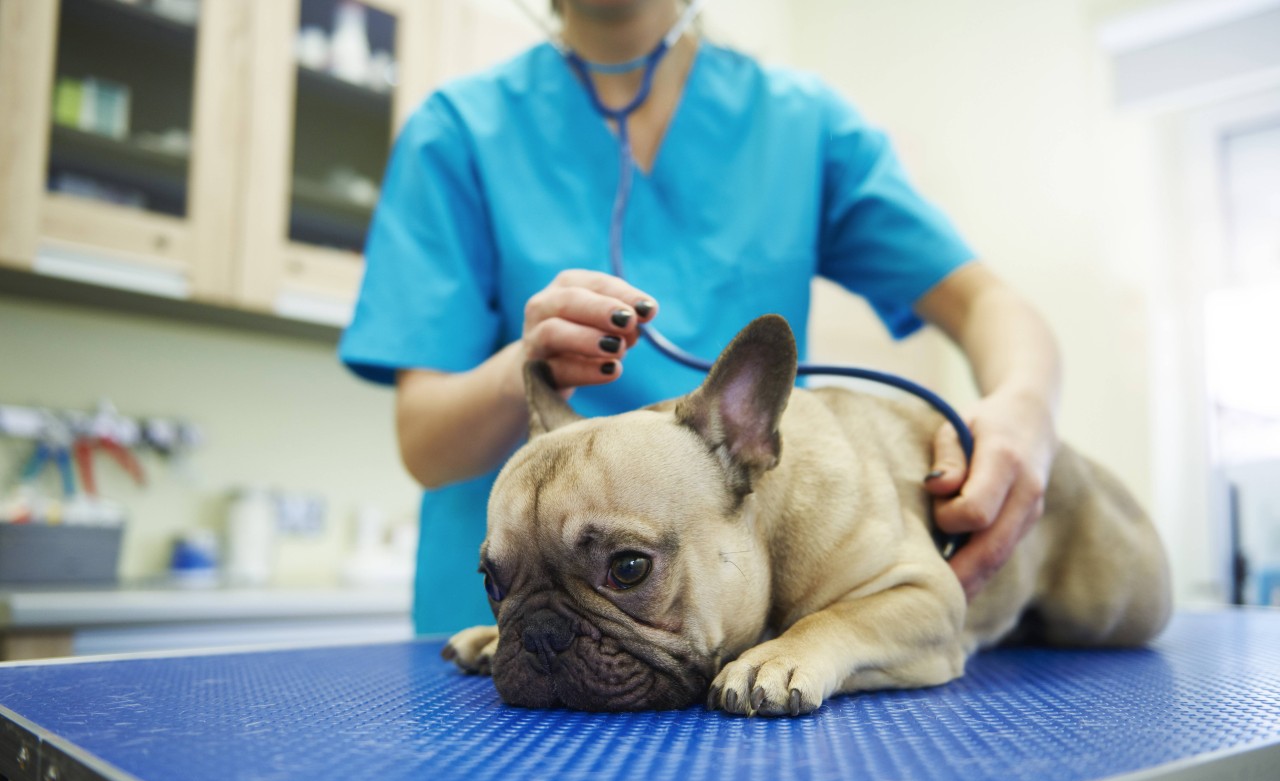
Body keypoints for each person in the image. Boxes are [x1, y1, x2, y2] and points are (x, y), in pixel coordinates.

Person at [339, 0, 1061, 636]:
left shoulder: (802, 126)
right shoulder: (460, 130)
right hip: (507, 646)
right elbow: (426, 445)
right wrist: (519, 367)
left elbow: (988, 303)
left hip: (745, 638)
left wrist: (1026, 408)